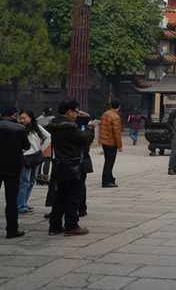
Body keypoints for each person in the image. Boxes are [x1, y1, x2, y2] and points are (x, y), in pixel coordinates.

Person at [46, 98, 95, 236]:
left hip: (59, 164)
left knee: (59, 196)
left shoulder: (53, 124)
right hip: (73, 166)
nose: (76, 114)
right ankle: (71, 225)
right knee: (73, 196)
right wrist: (90, 127)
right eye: (76, 112)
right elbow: (85, 139)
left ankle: (54, 226)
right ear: (69, 112)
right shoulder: (70, 126)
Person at [0, 104, 31, 239]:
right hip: (12, 167)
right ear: (14, 115)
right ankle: (12, 230)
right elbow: (26, 146)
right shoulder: (20, 128)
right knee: (11, 200)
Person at [17, 110, 51, 215]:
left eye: (24, 118)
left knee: (31, 182)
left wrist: (41, 149)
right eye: (21, 118)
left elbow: (48, 137)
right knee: (24, 182)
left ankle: (24, 203)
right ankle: (21, 206)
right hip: (25, 158)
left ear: (30, 117)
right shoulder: (20, 129)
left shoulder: (37, 128)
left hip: (35, 157)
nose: (22, 120)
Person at [99, 99, 122, 188]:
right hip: (111, 142)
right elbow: (117, 133)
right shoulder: (115, 117)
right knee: (109, 162)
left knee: (107, 160)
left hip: (105, 141)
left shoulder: (105, 114)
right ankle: (106, 181)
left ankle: (110, 177)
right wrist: (119, 146)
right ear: (119, 106)